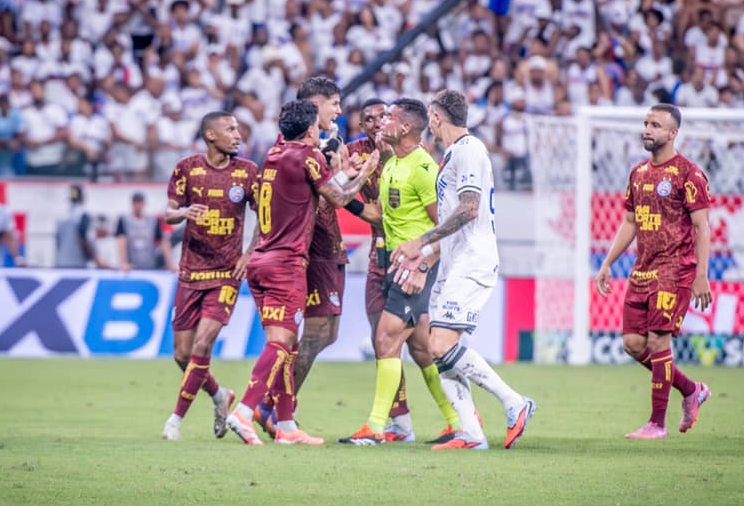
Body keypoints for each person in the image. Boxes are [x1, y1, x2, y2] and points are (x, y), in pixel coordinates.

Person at [225, 99, 379, 446]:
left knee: (288, 346)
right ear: (311, 128)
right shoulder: (306, 155)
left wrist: (344, 173)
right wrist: (366, 172)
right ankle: (245, 412)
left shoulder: (273, 157)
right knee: (281, 344)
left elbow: (311, 191)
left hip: (261, 263)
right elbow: (337, 199)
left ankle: (287, 425)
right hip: (286, 265)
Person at [392, 90, 535, 451]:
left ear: (436, 118)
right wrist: (425, 257)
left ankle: (514, 402)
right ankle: (470, 432)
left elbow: (469, 210)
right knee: (433, 345)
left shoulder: (469, 149)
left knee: (440, 344)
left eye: (431, 119)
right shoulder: (454, 155)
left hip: (473, 260)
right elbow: (453, 219)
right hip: (454, 261)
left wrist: (420, 241)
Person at [339, 98, 463, 446]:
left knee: (385, 339)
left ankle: (376, 427)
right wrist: (343, 194)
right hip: (396, 264)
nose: (382, 123)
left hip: (414, 268)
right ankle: (459, 419)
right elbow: (381, 213)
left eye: (389, 117)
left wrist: (423, 262)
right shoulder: (394, 164)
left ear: (406, 127)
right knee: (423, 350)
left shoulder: (423, 169)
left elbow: (447, 226)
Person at [595, 103, 713, 440]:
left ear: (673, 133)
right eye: (646, 123)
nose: (647, 130)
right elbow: (630, 222)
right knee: (633, 344)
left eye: (656, 125)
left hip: (674, 271)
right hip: (642, 270)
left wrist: (701, 275)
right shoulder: (638, 173)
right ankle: (691, 390)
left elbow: (702, 226)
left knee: (658, 340)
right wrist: (607, 264)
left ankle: (656, 424)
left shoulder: (689, 174)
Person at [252, 76, 349, 435]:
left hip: (321, 246)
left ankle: (274, 407)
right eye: (333, 103)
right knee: (308, 333)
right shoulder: (297, 150)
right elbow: (276, 206)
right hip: (306, 250)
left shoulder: (310, 145)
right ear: (314, 106)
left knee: (327, 333)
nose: (338, 110)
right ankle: (269, 406)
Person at [161, 111, 260, 442]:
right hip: (191, 271)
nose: (237, 134)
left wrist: (249, 253)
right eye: (229, 129)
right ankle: (220, 396)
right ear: (210, 135)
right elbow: (168, 213)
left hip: (227, 273)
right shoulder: (187, 168)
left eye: (237, 128)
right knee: (182, 355)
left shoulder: (247, 172)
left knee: (203, 344)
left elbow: (265, 216)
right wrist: (183, 212)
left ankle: (174, 421)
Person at [115, 192, 175, 272]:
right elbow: (121, 242)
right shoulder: (124, 220)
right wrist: (123, 263)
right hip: (131, 266)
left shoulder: (153, 222)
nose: (138, 206)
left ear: (144, 204)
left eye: (140, 203)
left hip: (150, 264)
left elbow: (163, 243)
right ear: (132, 204)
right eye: (136, 203)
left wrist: (170, 264)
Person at [54, 184, 106, 269]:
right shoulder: (82, 215)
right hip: (77, 265)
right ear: (83, 198)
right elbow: (87, 240)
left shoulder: (61, 216)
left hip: (60, 263)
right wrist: (97, 259)